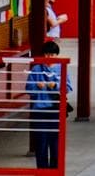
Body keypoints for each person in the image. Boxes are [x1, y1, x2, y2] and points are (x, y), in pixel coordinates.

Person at [24, 42, 66, 170]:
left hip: (55, 110)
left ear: (57, 55)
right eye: (47, 54)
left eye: (52, 54)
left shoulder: (61, 68)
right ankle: (42, 171)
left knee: (55, 144)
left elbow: (68, 87)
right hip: (39, 110)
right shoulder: (36, 69)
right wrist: (37, 85)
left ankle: (55, 171)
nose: (49, 57)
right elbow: (28, 89)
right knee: (41, 143)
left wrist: (56, 86)